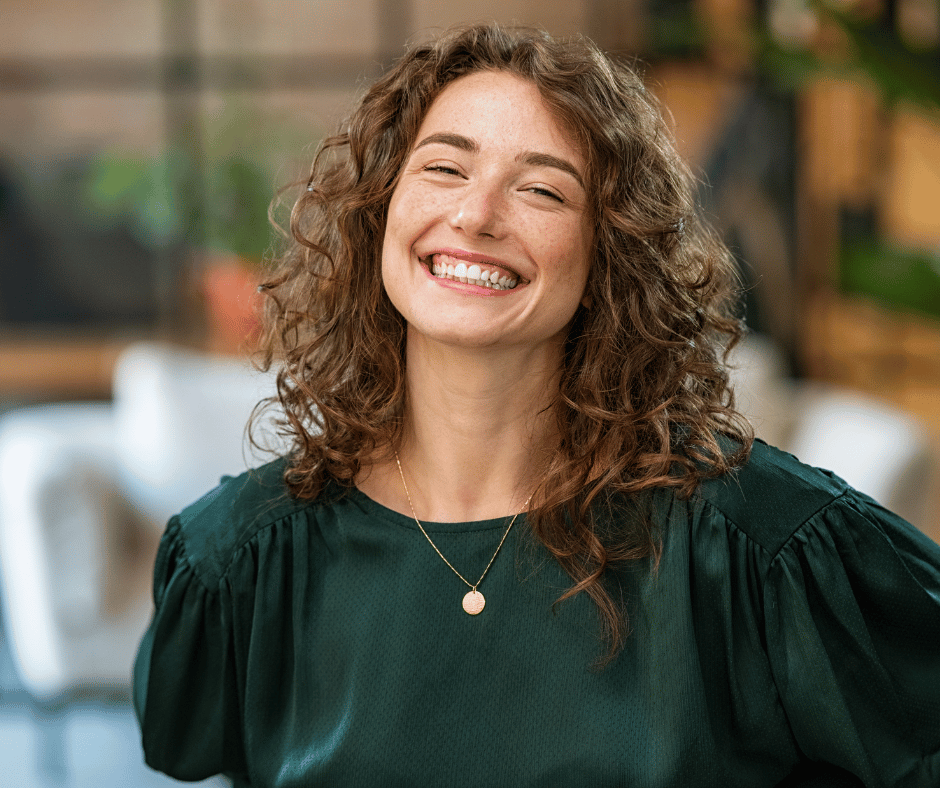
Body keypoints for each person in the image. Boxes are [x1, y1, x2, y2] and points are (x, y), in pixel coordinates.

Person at [133, 24, 940, 788]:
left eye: (543, 190)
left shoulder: (755, 544)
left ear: (610, 252)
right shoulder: (240, 559)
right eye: (445, 169)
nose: (477, 216)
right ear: (380, 208)